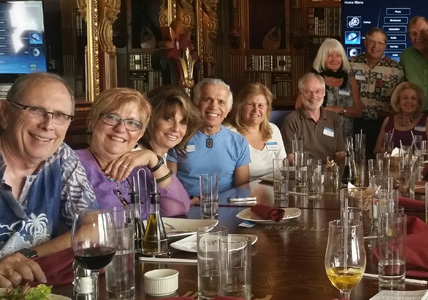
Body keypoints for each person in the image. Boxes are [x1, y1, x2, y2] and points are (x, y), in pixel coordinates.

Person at [0, 73, 97, 287]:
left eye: (61, 115)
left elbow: (94, 227)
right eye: (35, 110)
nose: (48, 125)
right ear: (5, 113)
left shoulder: (60, 157)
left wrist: (26, 255)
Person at [76, 88, 190, 216]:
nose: (120, 128)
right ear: (91, 122)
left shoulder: (139, 169)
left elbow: (179, 208)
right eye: (112, 117)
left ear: (140, 134)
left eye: (132, 123)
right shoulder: (73, 166)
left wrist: (153, 159)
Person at [167, 78, 250, 198]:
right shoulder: (179, 137)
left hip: (226, 206)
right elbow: (169, 186)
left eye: (221, 102)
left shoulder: (239, 142)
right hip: (187, 206)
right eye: (207, 99)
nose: (213, 106)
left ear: (228, 110)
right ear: (195, 104)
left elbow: (242, 190)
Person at [349, 27, 404, 156]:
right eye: (372, 42)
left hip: (383, 124)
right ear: (365, 42)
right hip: (355, 123)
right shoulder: (350, 64)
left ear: (385, 45)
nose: (375, 46)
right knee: (356, 160)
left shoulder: (395, 68)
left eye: (380, 43)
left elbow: (400, 98)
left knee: (380, 162)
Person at [296, 38, 362, 140]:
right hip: (318, 137)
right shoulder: (313, 79)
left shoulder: (350, 79)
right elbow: (298, 108)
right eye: (329, 55)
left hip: (346, 137)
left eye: (338, 55)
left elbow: (358, 112)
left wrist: (340, 110)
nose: (334, 59)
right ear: (322, 58)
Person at [225, 83, 287, 180]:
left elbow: (282, 165)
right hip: (245, 190)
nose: (256, 110)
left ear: (267, 109)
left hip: (274, 188)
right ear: (240, 107)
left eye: (261, 105)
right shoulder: (228, 133)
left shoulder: (273, 129)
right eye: (250, 104)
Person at [282, 73, 345, 165]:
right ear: (300, 94)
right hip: (304, 174)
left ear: (324, 92)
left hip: (330, 172)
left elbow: (340, 153)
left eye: (318, 91)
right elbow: (291, 158)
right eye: (307, 92)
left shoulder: (334, 118)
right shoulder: (291, 120)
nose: (313, 96)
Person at [374, 82, 428, 156]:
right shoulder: (388, 120)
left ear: (419, 103)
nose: (409, 101)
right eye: (405, 98)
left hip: (420, 166)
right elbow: (377, 150)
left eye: (413, 98)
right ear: (398, 102)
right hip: (391, 165)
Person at [399, 16, 428, 114]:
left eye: (423, 32)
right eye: (414, 34)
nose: (418, 37)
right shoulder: (405, 56)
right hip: (415, 115)